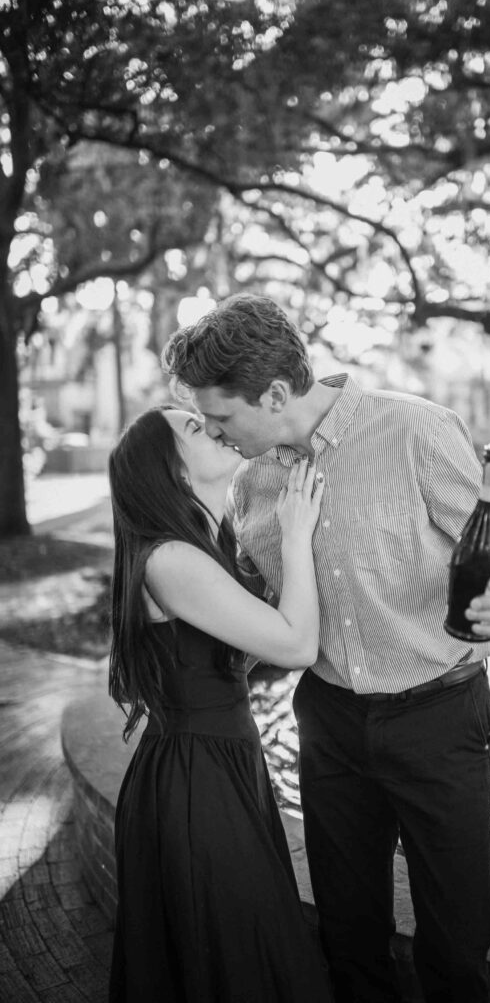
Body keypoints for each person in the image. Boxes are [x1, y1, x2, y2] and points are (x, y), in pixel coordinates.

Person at [162, 294, 490, 1003]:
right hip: (328, 722)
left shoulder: (414, 429)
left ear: (275, 394)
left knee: (458, 931)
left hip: (439, 716)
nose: (211, 431)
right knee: (346, 930)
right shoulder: (252, 483)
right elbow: (255, 609)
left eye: (221, 416)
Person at [107, 404, 332, 1003]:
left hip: (218, 761)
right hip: (195, 782)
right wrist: (295, 536)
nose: (211, 426)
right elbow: (297, 646)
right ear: (172, 471)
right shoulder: (171, 559)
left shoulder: (201, 545)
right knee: (242, 959)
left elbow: (229, 661)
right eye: (192, 427)